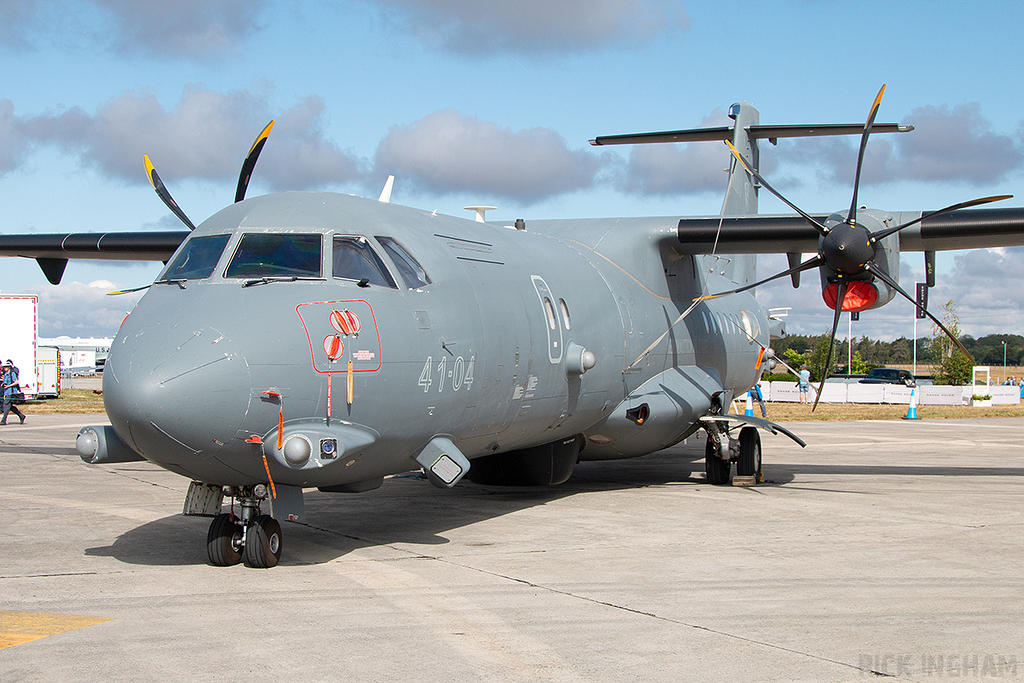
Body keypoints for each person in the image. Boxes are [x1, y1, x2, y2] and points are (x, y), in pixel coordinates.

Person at [1, 359, 26, 425]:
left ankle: (3, 420)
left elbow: (16, 382)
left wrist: (8, 386)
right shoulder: (6, 374)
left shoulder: (12, 373)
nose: (4, 368)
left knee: (6, 405)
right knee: (10, 407)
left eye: (6, 367)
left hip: (11, 392)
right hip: (6, 392)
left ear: (9, 367)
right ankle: (21, 416)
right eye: (4, 367)